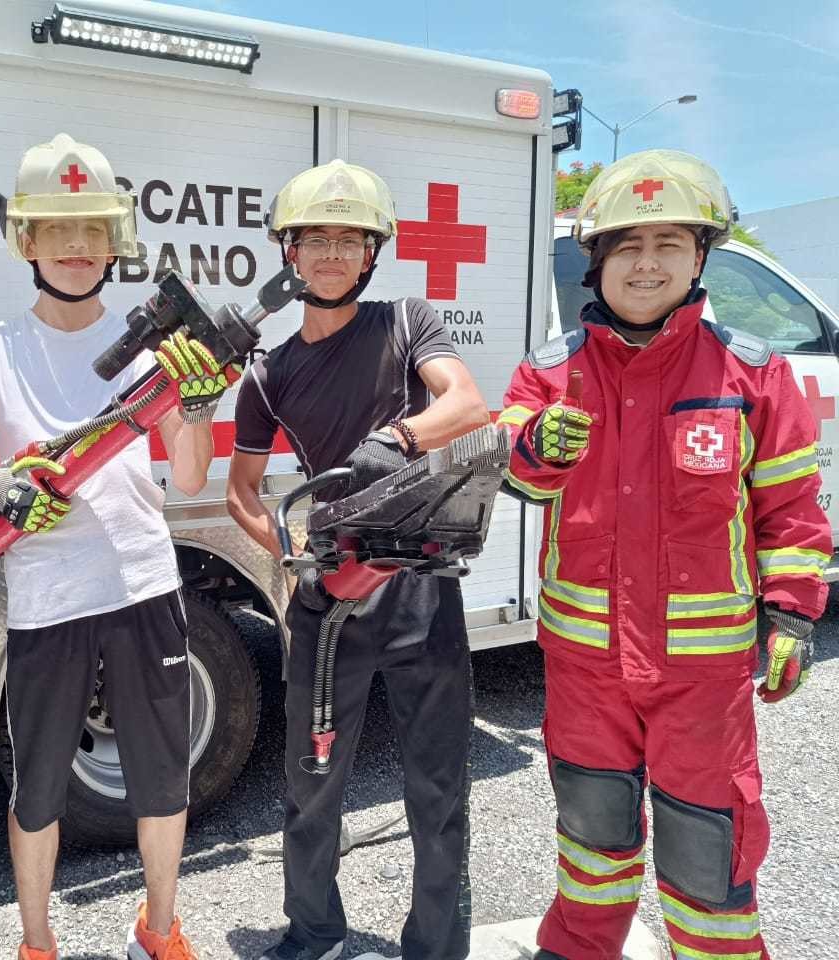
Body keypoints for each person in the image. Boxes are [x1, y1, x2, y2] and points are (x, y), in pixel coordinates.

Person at [499, 149, 828, 960]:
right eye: (628, 244)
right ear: (598, 261)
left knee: (705, 851)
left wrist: (791, 614)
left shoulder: (754, 376)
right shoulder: (549, 373)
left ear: (700, 258)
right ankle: (577, 949)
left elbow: (790, 512)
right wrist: (539, 447)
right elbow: (515, 479)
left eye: (669, 243)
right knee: (590, 836)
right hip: (585, 665)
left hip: (701, 676)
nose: (647, 263)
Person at [0, 133, 234, 960]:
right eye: (56, 228)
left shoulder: (153, 343)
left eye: (94, 229)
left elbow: (185, 477)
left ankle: (161, 927)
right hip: (46, 600)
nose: (77, 246)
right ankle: (37, 943)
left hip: (144, 586)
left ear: (117, 243)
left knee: (161, 777)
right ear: (25, 242)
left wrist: (201, 400)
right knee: (37, 791)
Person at [225, 159, 490, 960]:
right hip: (329, 601)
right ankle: (314, 933)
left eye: (351, 238)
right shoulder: (267, 375)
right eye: (317, 239)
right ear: (289, 252)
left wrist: (398, 440)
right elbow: (242, 490)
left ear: (373, 252)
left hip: (419, 588)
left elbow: (467, 402)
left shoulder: (407, 323)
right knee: (312, 787)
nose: (334, 253)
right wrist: (288, 550)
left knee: (438, 788)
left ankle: (436, 946)